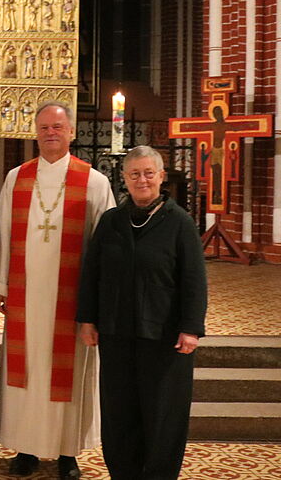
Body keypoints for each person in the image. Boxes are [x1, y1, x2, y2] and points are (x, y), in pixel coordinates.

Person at [0, 101, 116, 479]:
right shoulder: (17, 178)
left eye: (57, 127)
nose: (50, 133)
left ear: (72, 131)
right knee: (26, 373)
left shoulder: (94, 182)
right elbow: (3, 233)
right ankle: (26, 450)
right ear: (36, 132)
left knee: (69, 375)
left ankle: (67, 453)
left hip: (71, 300)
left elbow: (104, 246)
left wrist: (96, 303)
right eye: (44, 127)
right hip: (25, 296)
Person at [77, 146, 207, 479]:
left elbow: (194, 279)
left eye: (149, 173)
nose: (142, 180)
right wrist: (88, 320)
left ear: (162, 177)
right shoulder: (111, 221)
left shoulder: (179, 223)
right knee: (120, 411)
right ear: (124, 180)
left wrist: (190, 328)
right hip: (117, 332)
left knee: (163, 414)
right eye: (134, 174)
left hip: (164, 337)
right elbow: (92, 273)